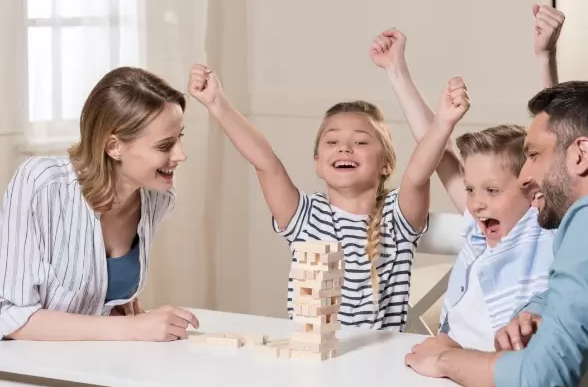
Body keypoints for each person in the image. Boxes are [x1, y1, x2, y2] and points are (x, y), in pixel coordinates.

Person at [404, 79, 588, 387]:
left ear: (580, 153)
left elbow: (543, 378)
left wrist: (446, 358)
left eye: (533, 156)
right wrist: (536, 311)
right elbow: (587, 282)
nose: (523, 177)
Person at [187, 64, 468, 331]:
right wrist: (217, 103)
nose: (344, 148)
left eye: (360, 142)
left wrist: (443, 124)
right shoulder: (305, 216)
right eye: (332, 142)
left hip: (380, 367)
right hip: (314, 365)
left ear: (385, 164)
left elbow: (418, 174)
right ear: (318, 162)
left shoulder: (396, 216)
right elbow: (266, 163)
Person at [369, 4, 565, 349]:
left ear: (533, 187)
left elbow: (555, 142)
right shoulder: (479, 227)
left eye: (491, 190)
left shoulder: (541, 227)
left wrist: (544, 56)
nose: (475, 202)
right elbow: (438, 151)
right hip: (449, 364)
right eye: (472, 189)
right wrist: (396, 71)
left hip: (502, 375)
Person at [0, 67, 200, 341]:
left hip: (94, 365)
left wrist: (108, 308)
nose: (181, 154)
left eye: (180, 138)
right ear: (114, 146)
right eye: (165, 145)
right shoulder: (42, 184)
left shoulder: (158, 199)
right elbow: (9, 315)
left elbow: (94, 298)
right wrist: (132, 329)